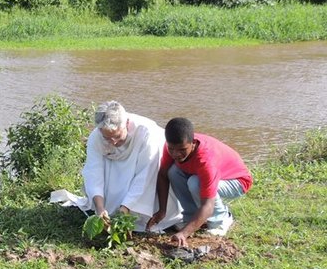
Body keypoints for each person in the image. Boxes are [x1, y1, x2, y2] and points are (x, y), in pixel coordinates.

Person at [52, 101, 181, 231]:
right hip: (118, 176)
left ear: (126, 124)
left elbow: (144, 177)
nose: (113, 142)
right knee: (104, 203)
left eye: (117, 136)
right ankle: (108, 209)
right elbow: (93, 172)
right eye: (107, 138)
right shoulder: (96, 137)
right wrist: (100, 208)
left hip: (151, 176)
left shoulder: (147, 135)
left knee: (135, 211)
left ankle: (131, 212)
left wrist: (125, 209)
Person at [147, 118, 252, 246]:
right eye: (172, 149)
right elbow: (163, 175)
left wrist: (184, 233)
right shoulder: (172, 147)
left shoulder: (206, 160)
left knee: (195, 183)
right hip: (209, 176)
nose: (176, 154)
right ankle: (191, 217)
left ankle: (221, 220)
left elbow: (208, 204)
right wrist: (162, 210)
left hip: (238, 181)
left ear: (193, 143)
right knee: (173, 172)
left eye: (182, 149)